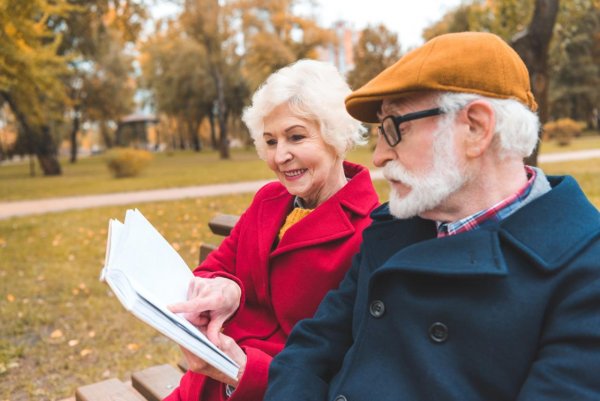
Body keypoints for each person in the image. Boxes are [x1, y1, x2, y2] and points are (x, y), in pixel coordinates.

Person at [265, 32, 600, 401]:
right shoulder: (394, 229)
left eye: (393, 129)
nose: (378, 156)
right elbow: (310, 350)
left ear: (475, 128)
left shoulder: (584, 270)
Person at [163, 59, 379, 401]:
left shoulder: (368, 230)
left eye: (296, 137)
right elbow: (213, 268)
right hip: (201, 385)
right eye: (270, 141)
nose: (280, 156)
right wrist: (226, 290)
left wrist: (243, 373)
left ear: (336, 136)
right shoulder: (269, 199)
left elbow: (344, 366)